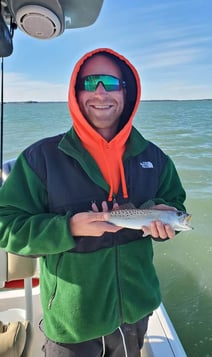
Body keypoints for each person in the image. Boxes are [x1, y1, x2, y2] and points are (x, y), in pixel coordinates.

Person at [0, 48, 186, 356]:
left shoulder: (156, 158)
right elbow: (6, 225)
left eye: (110, 83)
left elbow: (174, 205)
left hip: (137, 312)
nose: (100, 92)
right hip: (73, 323)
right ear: (76, 93)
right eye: (91, 82)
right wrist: (68, 227)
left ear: (126, 93)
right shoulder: (41, 158)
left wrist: (165, 224)